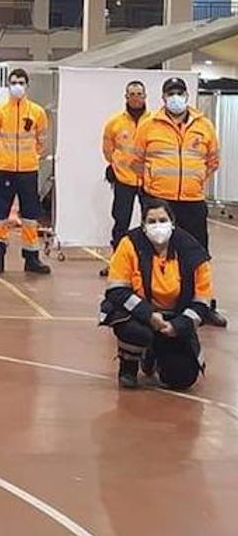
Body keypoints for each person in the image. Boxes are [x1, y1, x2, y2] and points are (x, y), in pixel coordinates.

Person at [132, 77, 223, 326]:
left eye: (179, 93)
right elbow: (137, 161)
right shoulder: (149, 125)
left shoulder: (204, 125)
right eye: (170, 93)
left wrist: (193, 182)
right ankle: (152, 302)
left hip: (193, 200)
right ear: (163, 98)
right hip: (160, 200)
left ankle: (203, 305)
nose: (175, 98)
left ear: (186, 96)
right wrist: (154, 185)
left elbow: (213, 161)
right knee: (155, 252)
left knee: (198, 254)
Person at [99, 200, 211, 390]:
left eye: (162, 220)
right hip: (140, 317)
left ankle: (154, 356)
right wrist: (148, 315)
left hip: (174, 319)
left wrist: (178, 326)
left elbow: (202, 302)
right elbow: (116, 290)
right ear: (143, 225)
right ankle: (128, 365)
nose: (158, 225)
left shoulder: (192, 251)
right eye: (152, 221)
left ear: (172, 223)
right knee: (135, 331)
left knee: (182, 378)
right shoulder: (129, 244)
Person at [0, 68, 52, 275]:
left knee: (31, 215)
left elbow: (42, 141)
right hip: (4, 169)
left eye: (21, 82)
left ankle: (31, 257)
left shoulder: (37, 112)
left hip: (28, 170)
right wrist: (4, 155)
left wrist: (29, 156)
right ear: (8, 84)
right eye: (14, 82)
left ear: (27, 85)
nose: (17, 86)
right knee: (0, 214)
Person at [100, 81, 148, 277]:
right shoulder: (115, 123)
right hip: (123, 182)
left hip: (148, 182)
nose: (135, 97)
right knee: (120, 224)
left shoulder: (154, 122)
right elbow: (108, 150)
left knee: (151, 224)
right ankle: (117, 264)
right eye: (132, 94)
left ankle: (146, 266)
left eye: (139, 93)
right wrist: (118, 168)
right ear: (126, 97)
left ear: (145, 97)